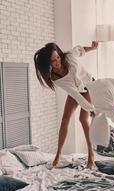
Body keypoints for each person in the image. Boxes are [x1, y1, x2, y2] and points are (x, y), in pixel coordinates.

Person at [34, 41, 98, 169]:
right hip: (75, 91)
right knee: (65, 120)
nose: (57, 61)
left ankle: (91, 154)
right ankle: (58, 154)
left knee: (82, 119)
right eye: (53, 61)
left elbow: (80, 50)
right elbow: (75, 93)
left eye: (57, 57)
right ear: (48, 64)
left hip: (90, 86)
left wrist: (93, 47)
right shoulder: (55, 77)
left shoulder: (69, 56)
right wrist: (89, 107)